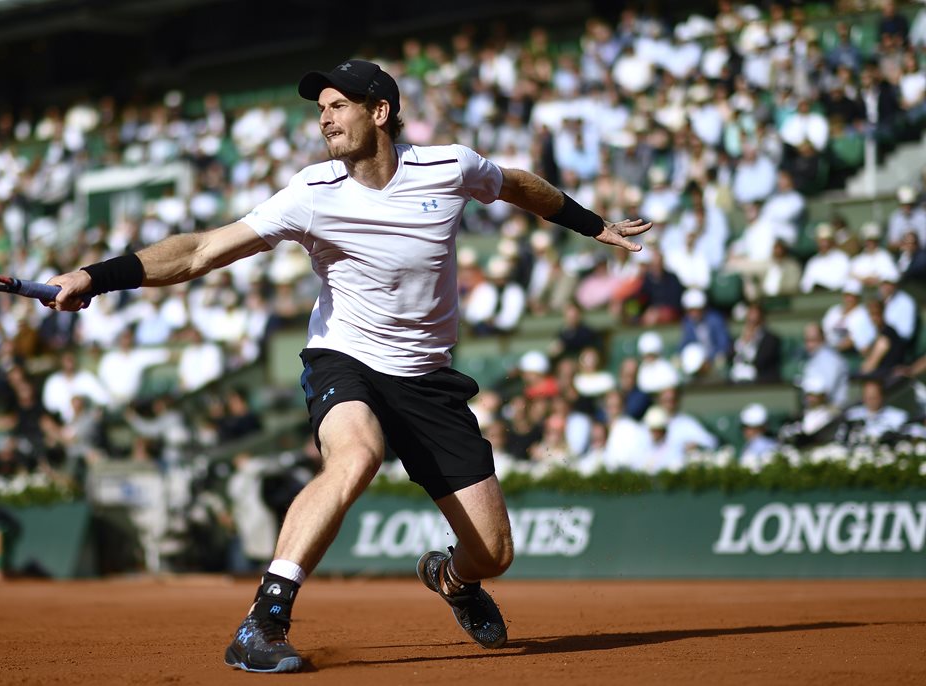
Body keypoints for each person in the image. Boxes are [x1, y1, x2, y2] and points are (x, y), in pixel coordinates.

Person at [44, 59, 649, 673]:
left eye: (338, 106)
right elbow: (202, 250)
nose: (325, 118)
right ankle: (264, 621)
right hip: (345, 356)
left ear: (379, 112)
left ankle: (450, 578)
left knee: (492, 553)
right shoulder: (311, 192)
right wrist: (98, 276)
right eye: (321, 109)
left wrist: (592, 224)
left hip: (427, 377)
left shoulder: (450, 166)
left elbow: (518, 185)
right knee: (355, 455)